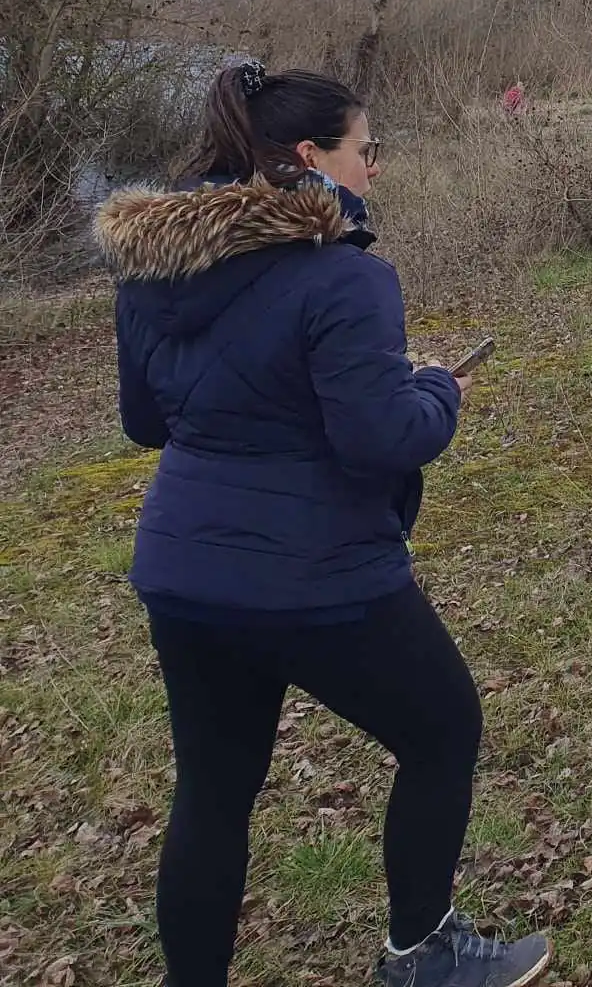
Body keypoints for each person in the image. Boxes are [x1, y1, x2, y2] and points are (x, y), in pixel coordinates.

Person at [94, 62, 549, 987]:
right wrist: (435, 390)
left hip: (182, 571)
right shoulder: (345, 277)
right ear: (313, 158)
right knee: (443, 731)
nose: (374, 168)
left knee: (214, 792)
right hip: (316, 571)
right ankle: (422, 954)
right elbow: (382, 439)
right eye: (365, 149)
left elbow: (146, 423)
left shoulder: (152, 270)